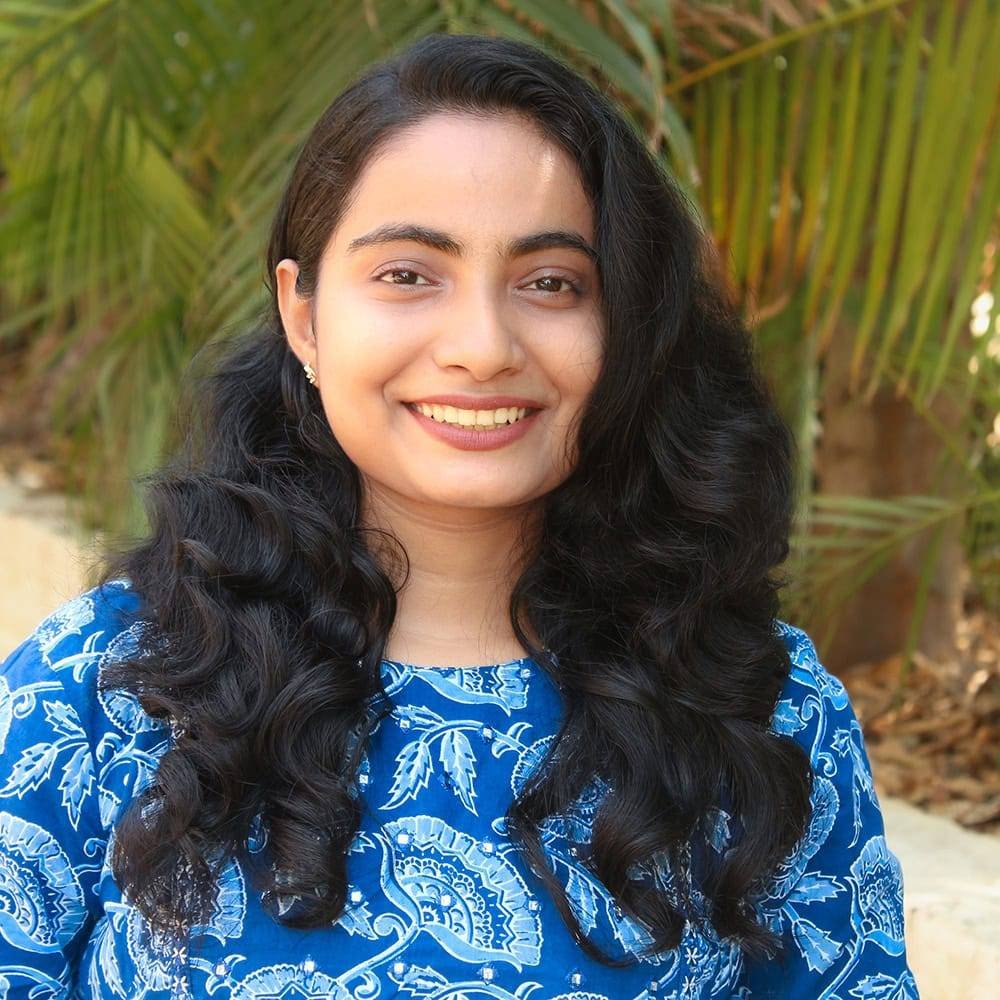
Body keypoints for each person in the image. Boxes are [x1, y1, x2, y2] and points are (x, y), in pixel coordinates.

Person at [0, 31, 918, 1000]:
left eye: (551, 283)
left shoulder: (763, 709)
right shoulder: (103, 690)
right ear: (304, 317)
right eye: (407, 273)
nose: (482, 346)